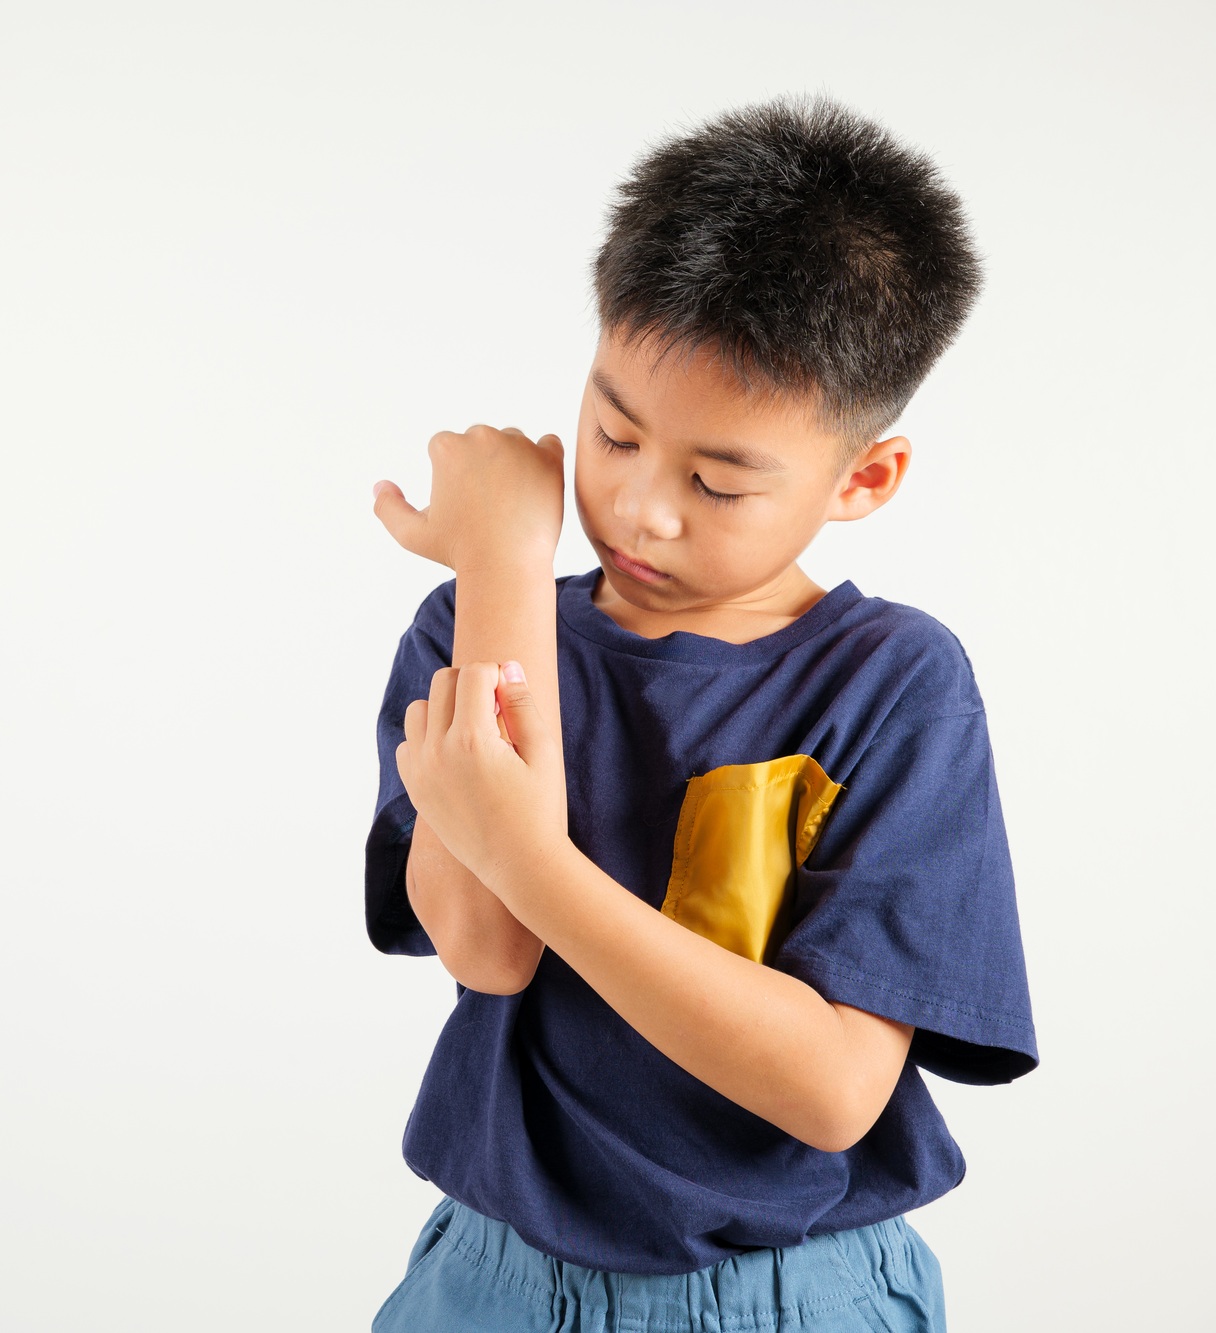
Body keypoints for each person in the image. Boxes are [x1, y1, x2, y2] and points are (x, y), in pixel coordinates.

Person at [362, 95, 1036, 1332]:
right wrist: (503, 563)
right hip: (490, 1279)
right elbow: (486, 946)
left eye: (716, 480)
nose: (638, 510)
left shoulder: (893, 685)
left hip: (791, 1294)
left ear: (863, 478)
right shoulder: (479, 620)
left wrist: (526, 850)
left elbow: (832, 1090)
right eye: (611, 434)